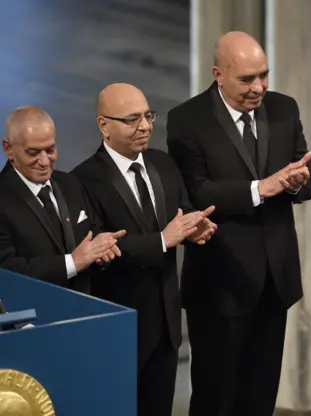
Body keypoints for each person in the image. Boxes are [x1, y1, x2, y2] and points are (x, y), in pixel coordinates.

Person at [166, 31, 311, 415]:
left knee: (260, 397)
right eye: (247, 79)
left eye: (264, 75)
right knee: (215, 398)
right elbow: (195, 193)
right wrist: (260, 189)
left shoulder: (284, 109)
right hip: (220, 284)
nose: (259, 87)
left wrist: (300, 183)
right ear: (218, 74)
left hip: (275, 283)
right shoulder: (188, 119)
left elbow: (310, 174)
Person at [71, 83, 217, 416]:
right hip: (119, 329)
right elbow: (98, 251)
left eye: (148, 116)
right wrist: (163, 240)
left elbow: (181, 212)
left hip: (166, 329)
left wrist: (195, 228)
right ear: (103, 125)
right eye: (132, 119)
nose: (146, 126)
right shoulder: (82, 180)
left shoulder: (164, 164)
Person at [0, 105, 125, 294]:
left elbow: (92, 232)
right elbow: (7, 270)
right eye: (33, 153)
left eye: (50, 150)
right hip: (31, 318)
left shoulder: (69, 184)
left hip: (83, 311)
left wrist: (101, 250)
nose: (44, 161)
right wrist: (73, 262)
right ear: (8, 149)